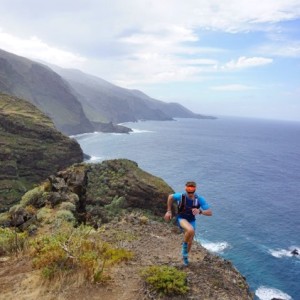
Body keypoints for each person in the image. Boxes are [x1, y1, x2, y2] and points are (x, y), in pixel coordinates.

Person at [164, 181, 212, 266]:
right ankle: (184, 248)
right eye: (188, 189)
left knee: (190, 241)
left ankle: (185, 256)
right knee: (190, 230)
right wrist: (168, 211)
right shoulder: (181, 196)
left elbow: (209, 212)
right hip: (181, 218)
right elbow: (170, 197)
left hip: (191, 220)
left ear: (195, 189)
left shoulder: (199, 199)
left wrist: (200, 211)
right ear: (185, 189)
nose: (190, 192)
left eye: (192, 189)